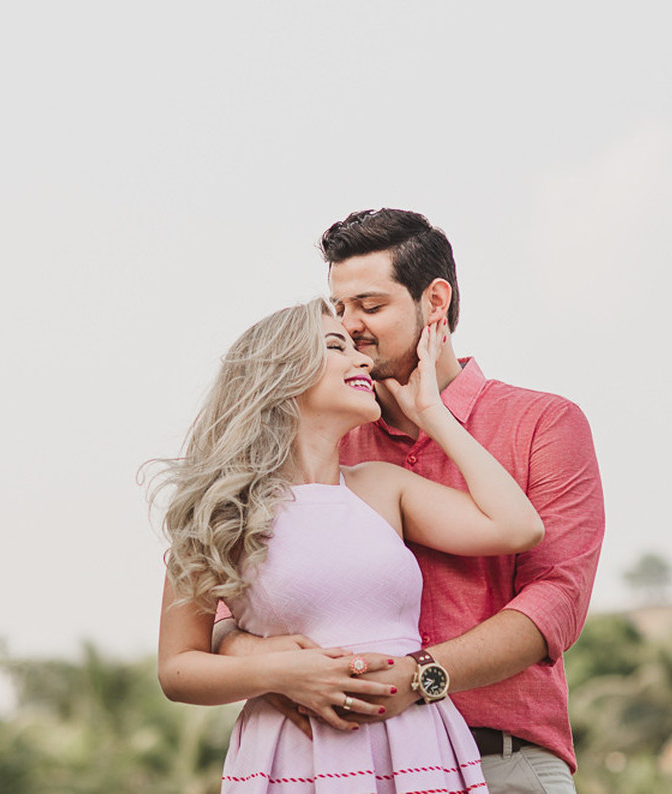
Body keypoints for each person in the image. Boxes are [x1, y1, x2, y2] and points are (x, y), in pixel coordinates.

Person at [215, 209, 605, 793]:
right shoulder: (326, 436)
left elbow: (558, 599)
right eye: (340, 310)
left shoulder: (543, 423)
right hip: (341, 761)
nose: (352, 327)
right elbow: (228, 595)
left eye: (370, 307)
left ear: (435, 303)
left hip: (500, 758)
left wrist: (423, 676)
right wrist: (271, 665)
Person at [155, 297, 545, 793]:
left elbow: (518, 527)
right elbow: (177, 669)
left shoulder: (381, 487)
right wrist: (280, 674)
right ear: (282, 374)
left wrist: (432, 413)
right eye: (336, 345)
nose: (363, 359)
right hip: (295, 757)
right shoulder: (219, 512)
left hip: (418, 746)